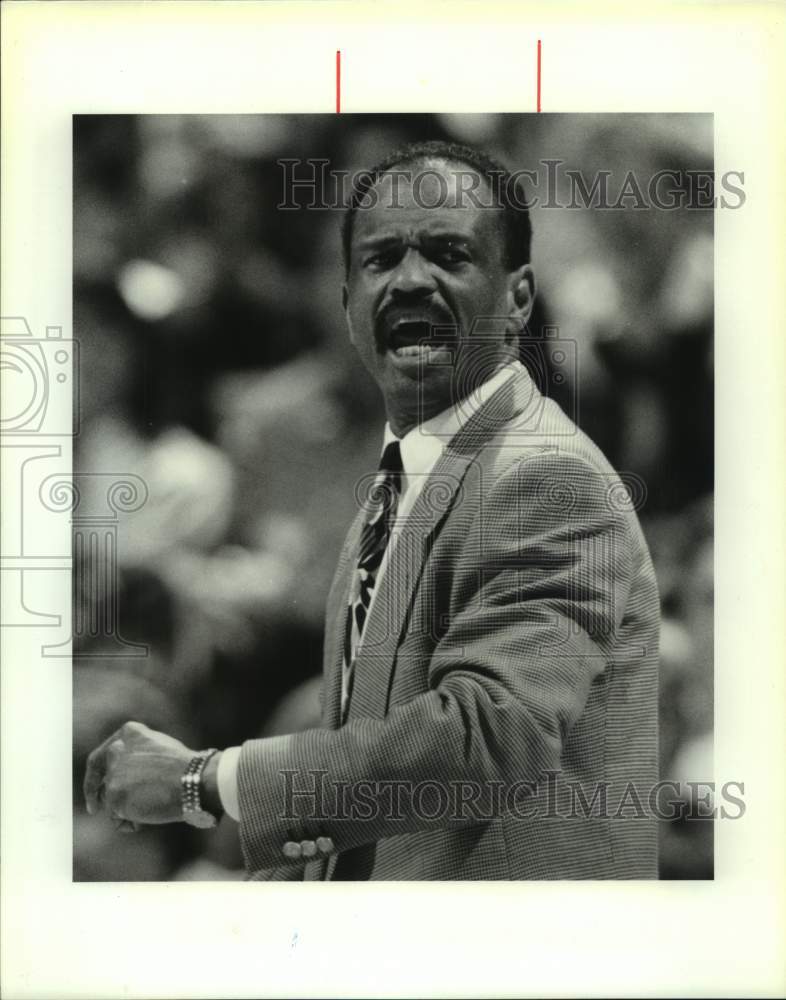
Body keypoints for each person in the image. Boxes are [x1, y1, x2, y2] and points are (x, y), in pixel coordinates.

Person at [84, 140, 660, 880]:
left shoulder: (542, 473)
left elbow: (484, 738)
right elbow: (375, 775)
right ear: (347, 303)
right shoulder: (409, 474)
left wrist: (208, 780)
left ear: (518, 298)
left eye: (449, 254)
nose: (412, 280)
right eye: (382, 259)